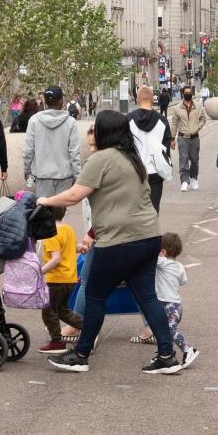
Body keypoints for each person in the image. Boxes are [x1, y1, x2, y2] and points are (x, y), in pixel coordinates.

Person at [38, 110, 182, 376]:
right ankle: (166, 354)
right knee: (148, 298)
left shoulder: (100, 159)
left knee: (94, 297)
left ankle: (80, 355)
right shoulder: (133, 158)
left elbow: (74, 195)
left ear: (104, 132)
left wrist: (45, 200)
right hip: (149, 237)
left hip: (118, 242)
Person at [38, 205, 84, 354]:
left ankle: (56, 341)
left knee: (49, 311)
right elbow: (71, 247)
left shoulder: (50, 234)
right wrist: (82, 247)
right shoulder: (67, 229)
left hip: (56, 279)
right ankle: (90, 327)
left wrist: (39, 272)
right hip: (70, 278)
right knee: (63, 310)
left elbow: (56, 259)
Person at [23, 86, 83, 198]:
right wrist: (78, 176)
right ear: (61, 101)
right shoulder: (71, 122)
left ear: (45, 101)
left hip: (41, 176)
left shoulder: (34, 121)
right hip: (64, 176)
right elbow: (74, 153)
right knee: (61, 210)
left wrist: (26, 171)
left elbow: (28, 150)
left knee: (44, 210)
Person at [128, 86, 173, 212]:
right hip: (155, 173)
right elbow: (166, 151)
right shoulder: (162, 121)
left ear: (137, 100)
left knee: (134, 212)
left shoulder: (128, 120)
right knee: (153, 211)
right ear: (153, 99)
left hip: (134, 173)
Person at [156, 232, 198, 368]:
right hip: (177, 306)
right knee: (164, 331)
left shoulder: (161, 262)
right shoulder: (179, 266)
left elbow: (150, 260)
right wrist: (183, 270)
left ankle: (188, 349)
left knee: (169, 331)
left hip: (168, 305)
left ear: (163, 251)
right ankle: (164, 353)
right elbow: (183, 281)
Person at [168, 86, 208, 192]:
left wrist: (197, 128)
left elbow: (203, 118)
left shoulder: (198, 106)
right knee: (183, 159)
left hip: (195, 138)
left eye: (190, 92)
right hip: (182, 137)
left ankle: (194, 178)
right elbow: (174, 123)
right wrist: (172, 138)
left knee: (194, 160)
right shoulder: (177, 108)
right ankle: (184, 181)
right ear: (183, 94)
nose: (188, 94)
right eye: (186, 92)